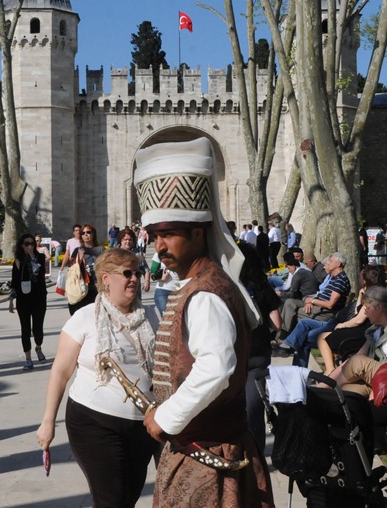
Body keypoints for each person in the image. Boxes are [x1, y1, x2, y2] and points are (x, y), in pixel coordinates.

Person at [135, 137, 272, 508]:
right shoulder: (202, 284)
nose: (159, 247)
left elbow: (216, 367)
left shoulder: (206, 294)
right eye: (155, 236)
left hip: (209, 457)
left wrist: (166, 416)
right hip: (199, 449)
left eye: (168, 235)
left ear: (197, 233)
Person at [36, 248, 160, 507]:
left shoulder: (150, 317)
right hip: (94, 421)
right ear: (106, 279)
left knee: (128, 498)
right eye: (127, 273)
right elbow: (61, 372)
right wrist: (48, 422)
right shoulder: (84, 318)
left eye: (137, 273)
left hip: (143, 424)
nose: (134, 279)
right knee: (111, 500)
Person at [237, 241, 283, 453]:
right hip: (257, 354)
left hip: (232, 355)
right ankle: (256, 457)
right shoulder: (262, 285)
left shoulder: (226, 285)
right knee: (254, 409)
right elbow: (277, 323)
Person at [317, 264, 387, 373]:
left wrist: (342, 325)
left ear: (365, 280)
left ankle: (330, 370)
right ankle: (333, 369)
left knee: (322, 338)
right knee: (324, 336)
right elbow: (357, 312)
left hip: (364, 333)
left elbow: (359, 320)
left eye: (360, 277)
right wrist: (360, 297)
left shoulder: (373, 295)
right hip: (363, 330)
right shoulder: (375, 292)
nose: (358, 279)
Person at [279, 252, 351, 333]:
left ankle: (283, 334)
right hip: (318, 304)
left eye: (330, 261)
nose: (328, 263)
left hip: (324, 312)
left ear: (338, 264)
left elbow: (330, 305)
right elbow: (321, 294)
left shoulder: (340, 280)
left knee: (290, 312)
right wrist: (310, 301)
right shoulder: (334, 278)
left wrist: (312, 301)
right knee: (290, 302)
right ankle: (283, 333)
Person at [10, 233, 48, 370]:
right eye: (27, 244)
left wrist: (32, 257)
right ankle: (28, 358)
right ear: (22, 246)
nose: (30, 246)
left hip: (39, 297)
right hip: (23, 298)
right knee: (25, 329)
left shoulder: (40, 257)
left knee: (38, 328)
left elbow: (40, 273)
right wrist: (11, 300)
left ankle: (38, 347)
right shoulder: (18, 260)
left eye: (32, 243)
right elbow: (14, 281)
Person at [64, 223, 102, 314]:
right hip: (82, 287)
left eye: (88, 232)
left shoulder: (101, 250)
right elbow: (73, 270)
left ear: (93, 234)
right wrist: (80, 260)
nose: (86, 234)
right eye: (83, 233)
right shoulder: (77, 250)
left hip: (97, 287)